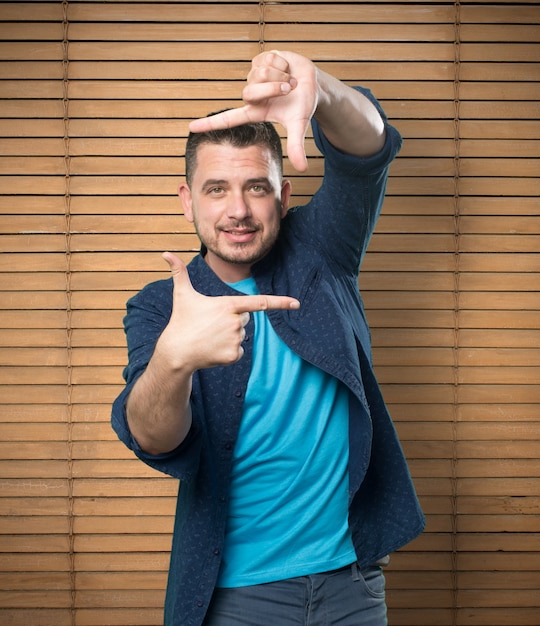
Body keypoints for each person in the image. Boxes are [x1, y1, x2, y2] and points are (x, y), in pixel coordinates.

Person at [112, 50, 425, 626]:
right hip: (235, 597)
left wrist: (323, 91)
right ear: (188, 203)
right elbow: (155, 439)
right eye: (216, 190)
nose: (238, 211)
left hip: (351, 584)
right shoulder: (161, 305)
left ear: (283, 198)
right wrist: (173, 362)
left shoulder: (320, 252)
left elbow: (368, 152)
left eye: (257, 187)